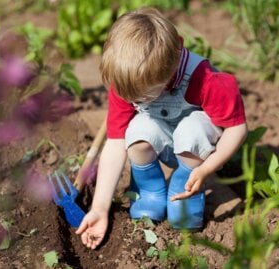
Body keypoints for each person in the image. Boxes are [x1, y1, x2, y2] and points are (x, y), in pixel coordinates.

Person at [76, 7, 247, 249]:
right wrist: (99, 207)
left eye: (145, 95)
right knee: (135, 131)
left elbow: (237, 128)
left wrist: (206, 169)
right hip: (163, 137)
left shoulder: (205, 80)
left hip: (197, 149)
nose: (139, 101)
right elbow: (115, 143)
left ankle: (184, 189)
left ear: (172, 64)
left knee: (192, 130)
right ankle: (150, 192)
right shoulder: (127, 82)